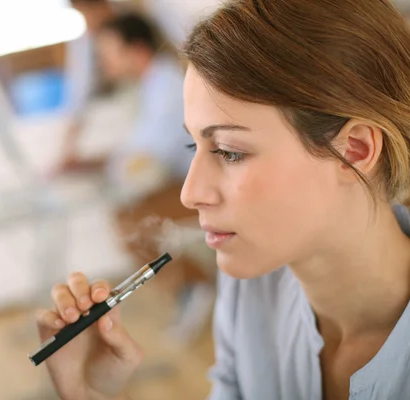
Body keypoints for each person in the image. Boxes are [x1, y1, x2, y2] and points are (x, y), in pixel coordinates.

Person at [35, 0, 410, 399]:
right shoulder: (251, 289)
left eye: (230, 151)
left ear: (355, 150)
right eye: (192, 143)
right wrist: (89, 393)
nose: (189, 193)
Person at [57, 12, 214, 336]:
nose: (103, 62)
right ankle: (190, 285)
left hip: (198, 186)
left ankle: (195, 285)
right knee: (125, 217)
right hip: (178, 179)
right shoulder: (152, 84)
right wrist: (96, 163)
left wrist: (100, 165)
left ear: (137, 50)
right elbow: (139, 149)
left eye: (109, 53)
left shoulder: (167, 85)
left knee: (132, 221)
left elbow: (149, 155)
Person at [59, 0, 117, 171]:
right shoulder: (85, 42)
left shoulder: (129, 27)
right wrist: (67, 146)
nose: (88, 23)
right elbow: (77, 95)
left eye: (86, 13)